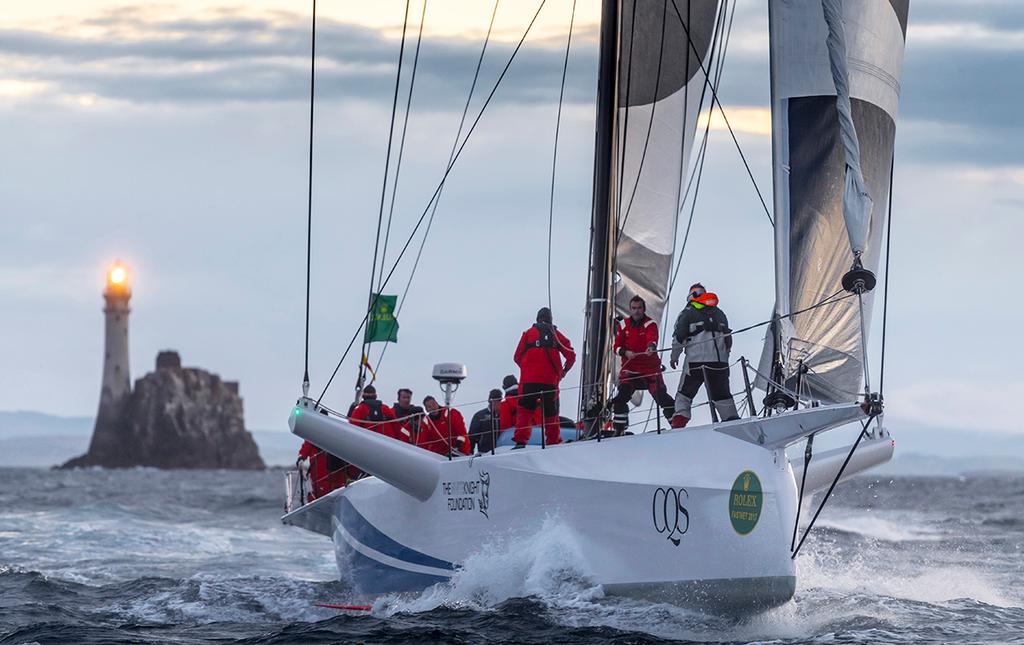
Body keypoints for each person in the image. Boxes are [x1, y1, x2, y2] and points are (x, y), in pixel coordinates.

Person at [669, 283, 739, 427]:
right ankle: (733, 425)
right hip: (720, 364)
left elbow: (679, 337)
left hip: (696, 362)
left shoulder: (687, 312)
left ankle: (678, 425)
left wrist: (674, 357)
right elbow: (728, 339)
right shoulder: (719, 313)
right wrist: (726, 356)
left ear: (691, 296)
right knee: (723, 397)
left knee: (684, 395)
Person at [608, 295, 675, 434]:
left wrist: (651, 348)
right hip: (630, 371)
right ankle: (619, 431)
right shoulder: (622, 325)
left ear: (644, 309)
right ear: (630, 309)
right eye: (634, 308)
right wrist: (625, 352)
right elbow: (616, 347)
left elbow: (652, 338)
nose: (637, 311)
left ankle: (677, 425)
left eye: (639, 308)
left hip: (650, 370)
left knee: (662, 398)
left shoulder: (650, 324)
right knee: (620, 400)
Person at [512, 307, 575, 448]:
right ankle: (553, 441)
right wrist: (564, 371)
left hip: (528, 381)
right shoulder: (556, 335)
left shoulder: (528, 334)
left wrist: (528, 367)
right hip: (550, 381)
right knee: (551, 412)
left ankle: (520, 442)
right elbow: (571, 355)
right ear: (551, 319)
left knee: (525, 410)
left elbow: (516, 357)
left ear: (537, 318)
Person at [468, 389, 503, 454]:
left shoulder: (505, 414)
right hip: (484, 452)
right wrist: (470, 452)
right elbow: (472, 436)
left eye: (499, 400)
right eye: (494, 400)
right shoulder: (479, 415)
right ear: (490, 401)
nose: (497, 402)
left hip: (502, 451)